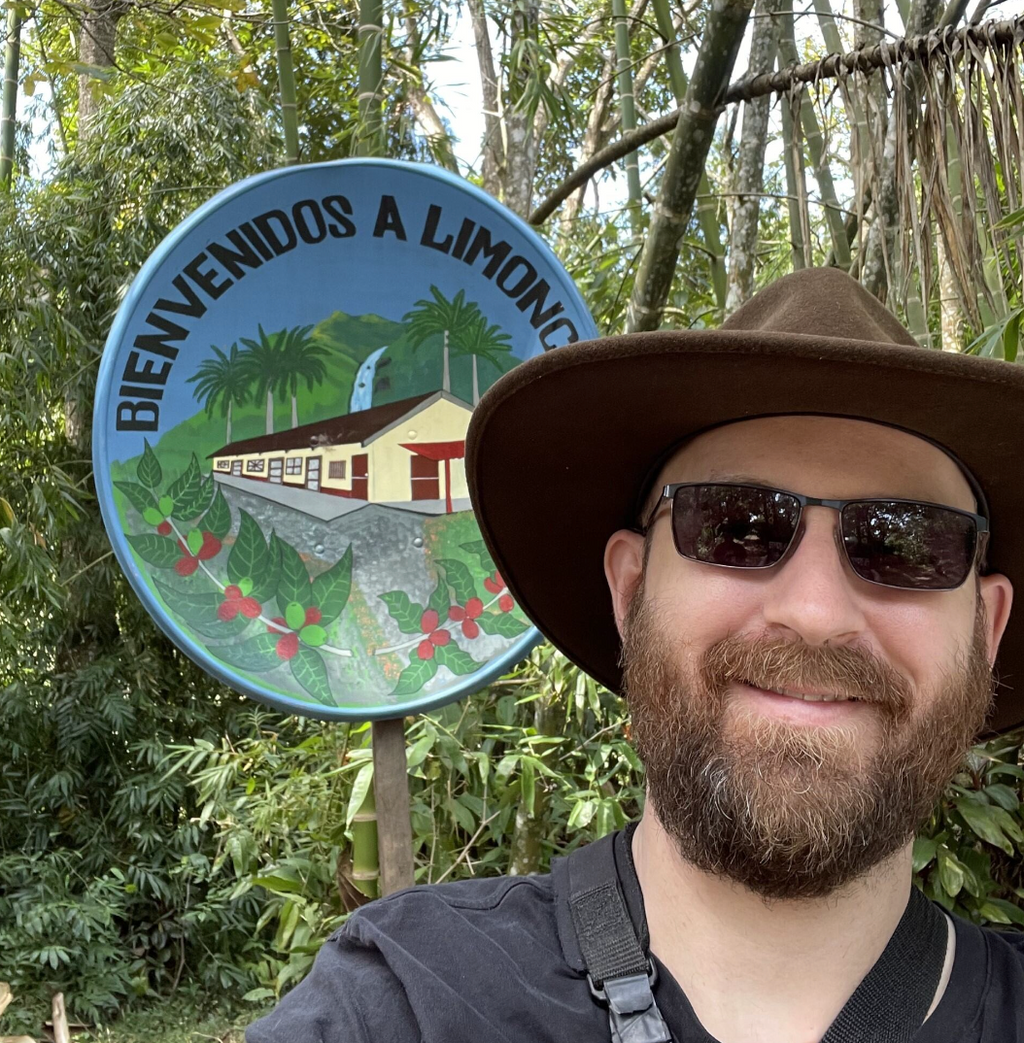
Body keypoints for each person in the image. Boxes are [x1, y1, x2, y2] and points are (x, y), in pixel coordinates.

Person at [246, 268, 1024, 1042]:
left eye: (904, 544)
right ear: (631, 592)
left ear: (985, 631)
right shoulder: (406, 1002)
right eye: (737, 526)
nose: (815, 612)